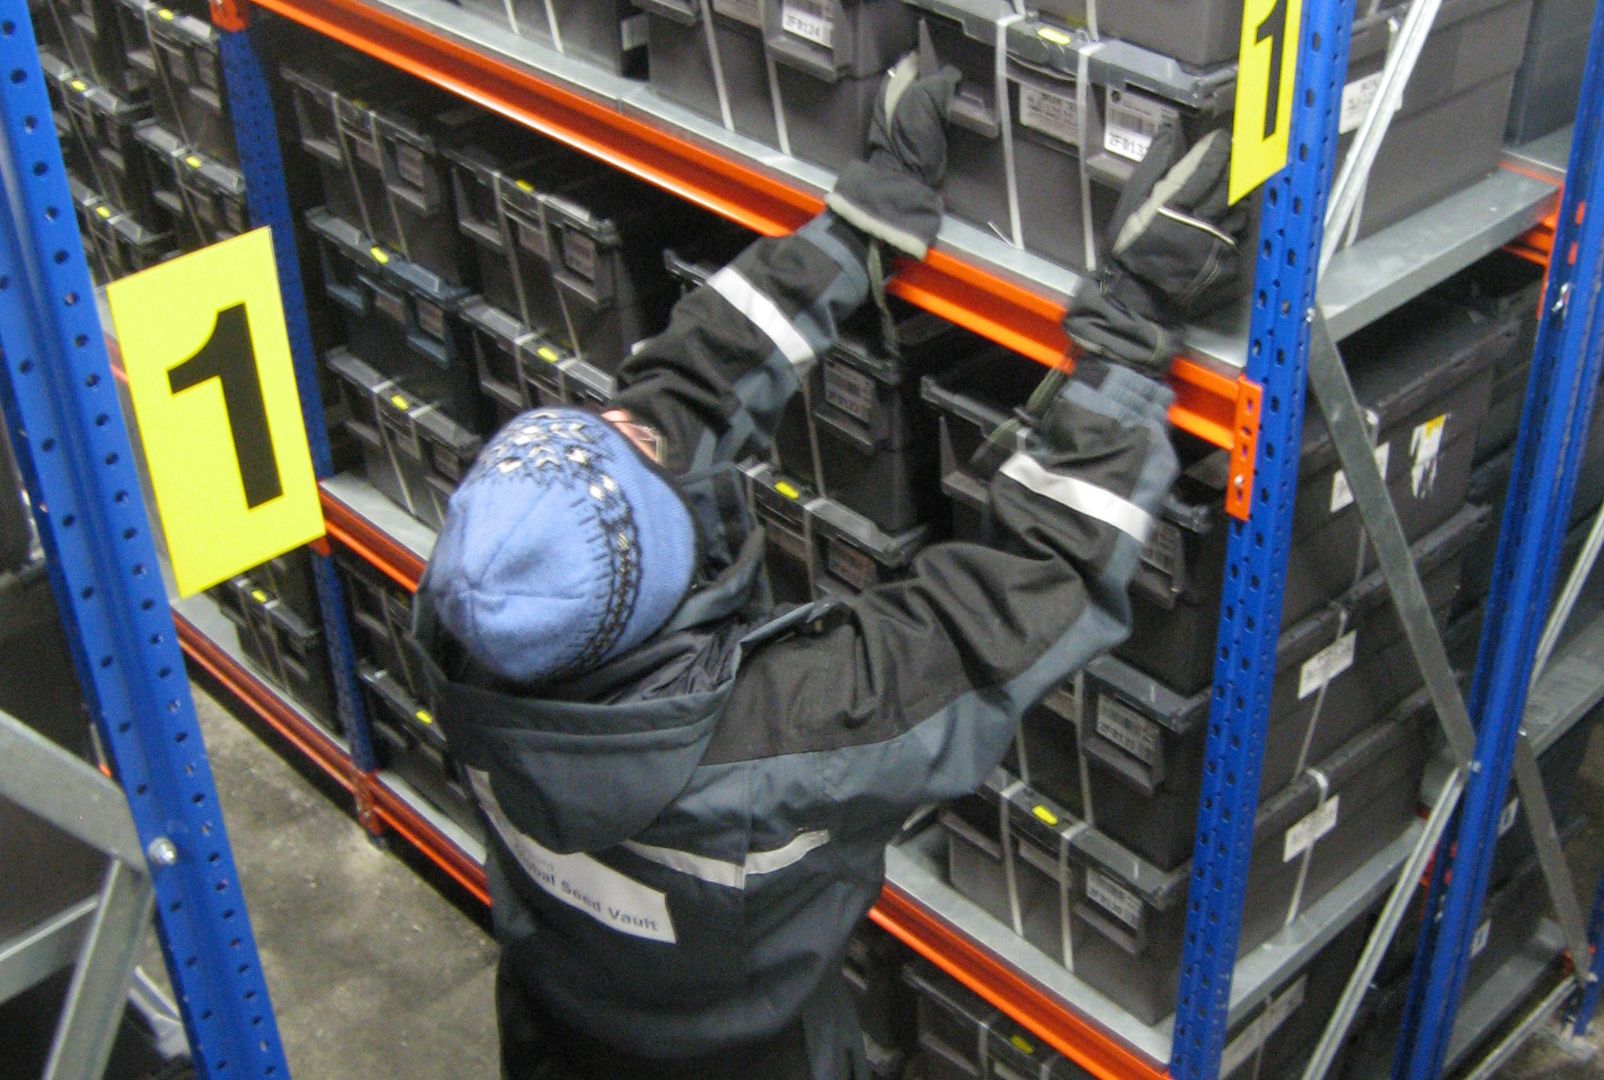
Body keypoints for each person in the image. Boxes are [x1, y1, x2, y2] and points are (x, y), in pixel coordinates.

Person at [409, 49, 1245, 1080]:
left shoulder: (467, 620)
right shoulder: (789, 734)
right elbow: (1026, 591)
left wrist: (859, 229)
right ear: (653, 599)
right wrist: (1125, 341)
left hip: (558, 1024)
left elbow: (681, 392)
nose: (637, 428)